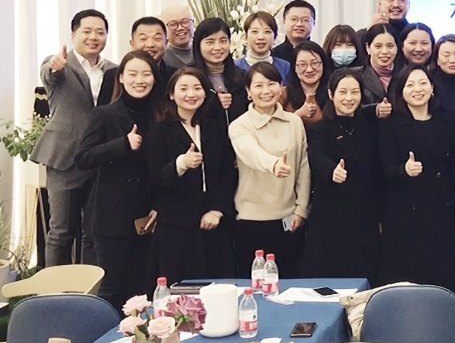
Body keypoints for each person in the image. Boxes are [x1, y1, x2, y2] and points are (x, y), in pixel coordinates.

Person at [32, 9, 117, 266]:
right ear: (73, 34)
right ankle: (53, 287)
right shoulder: (61, 64)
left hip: (99, 158)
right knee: (61, 231)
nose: (94, 37)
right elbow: (49, 74)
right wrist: (55, 67)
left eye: (100, 32)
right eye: (87, 31)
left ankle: (89, 286)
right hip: (65, 158)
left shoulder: (114, 70)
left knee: (93, 232)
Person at [75, 51, 158, 308]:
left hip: (147, 216)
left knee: (143, 289)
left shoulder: (160, 115)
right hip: (112, 217)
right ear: (120, 77)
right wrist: (122, 144)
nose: (139, 80)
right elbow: (83, 158)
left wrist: (159, 205)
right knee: (112, 288)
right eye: (132, 74)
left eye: (146, 74)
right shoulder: (104, 114)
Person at [380, 64, 455, 296]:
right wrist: (404, 169)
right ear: (401, 92)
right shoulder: (391, 125)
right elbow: (384, 168)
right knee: (409, 276)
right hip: (405, 214)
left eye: (422, 83)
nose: (417, 89)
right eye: (410, 85)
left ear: (432, 88)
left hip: (443, 209)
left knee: (445, 274)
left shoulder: (448, 121)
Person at [146, 66, 237, 283]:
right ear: (171, 94)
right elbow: (156, 178)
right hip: (176, 224)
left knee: (218, 285)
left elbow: (227, 172)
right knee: (177, 287)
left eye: (197, 88)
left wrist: (217, 210)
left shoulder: (214, 126)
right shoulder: (160, 130)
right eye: (183, 88)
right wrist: (181, 163)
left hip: (213, 221)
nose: (191, 94)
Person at [229, 62, 311, 278]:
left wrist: (301, 209)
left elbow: (303, 167)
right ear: (248, 91)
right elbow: (250, 152)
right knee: (256, 286)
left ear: (281, 87)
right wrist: (274, 164)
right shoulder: (239, 125)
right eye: (258, 86)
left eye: (271, 84)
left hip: (289, 219)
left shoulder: (294, 122)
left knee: (290, 284)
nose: (266, 91)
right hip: (251, 219)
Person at [302, 69, 382, 283]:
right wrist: (332, 171)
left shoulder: (371, 128)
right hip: (330, 215)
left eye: (355, 92)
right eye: (343, 92)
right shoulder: (319, 129)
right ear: (331, 94)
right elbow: (316, 157)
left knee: (364, 277)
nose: (349, 98)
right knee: (327, 280)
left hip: (364, 215)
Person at [191, 18, 248, 123]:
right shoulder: (188, 78)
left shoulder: (242, 77)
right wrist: (214, 104)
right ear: (198, 45)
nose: (217, 47)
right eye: (210, 42)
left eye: (223, 41)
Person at [236, 12, 293, 82]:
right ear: (245, 36)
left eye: (267, 32)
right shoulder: (234, 67)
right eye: (255, 31)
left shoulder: (285, 67)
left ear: (275, 37)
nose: (261, 37)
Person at [283, 42, 330, 126]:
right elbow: (278, 128)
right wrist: (299, 114)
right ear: (294, 68)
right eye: (302, 64)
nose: (309, 69)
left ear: (323, 65)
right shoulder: (283, 94)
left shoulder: (334, 92)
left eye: (314, 63)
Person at [130, 17, 174, 90]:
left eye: (157, 38)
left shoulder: (176, 76)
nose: (150, 45)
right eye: (143, 39)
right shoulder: (114, 76)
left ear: (166, 43)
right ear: (132, 44)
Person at [359, 24, 399, 105]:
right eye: (378, 46)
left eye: (390, 46)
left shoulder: (406, 75)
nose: (384, 51)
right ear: (368, 48)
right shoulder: (357, 76)